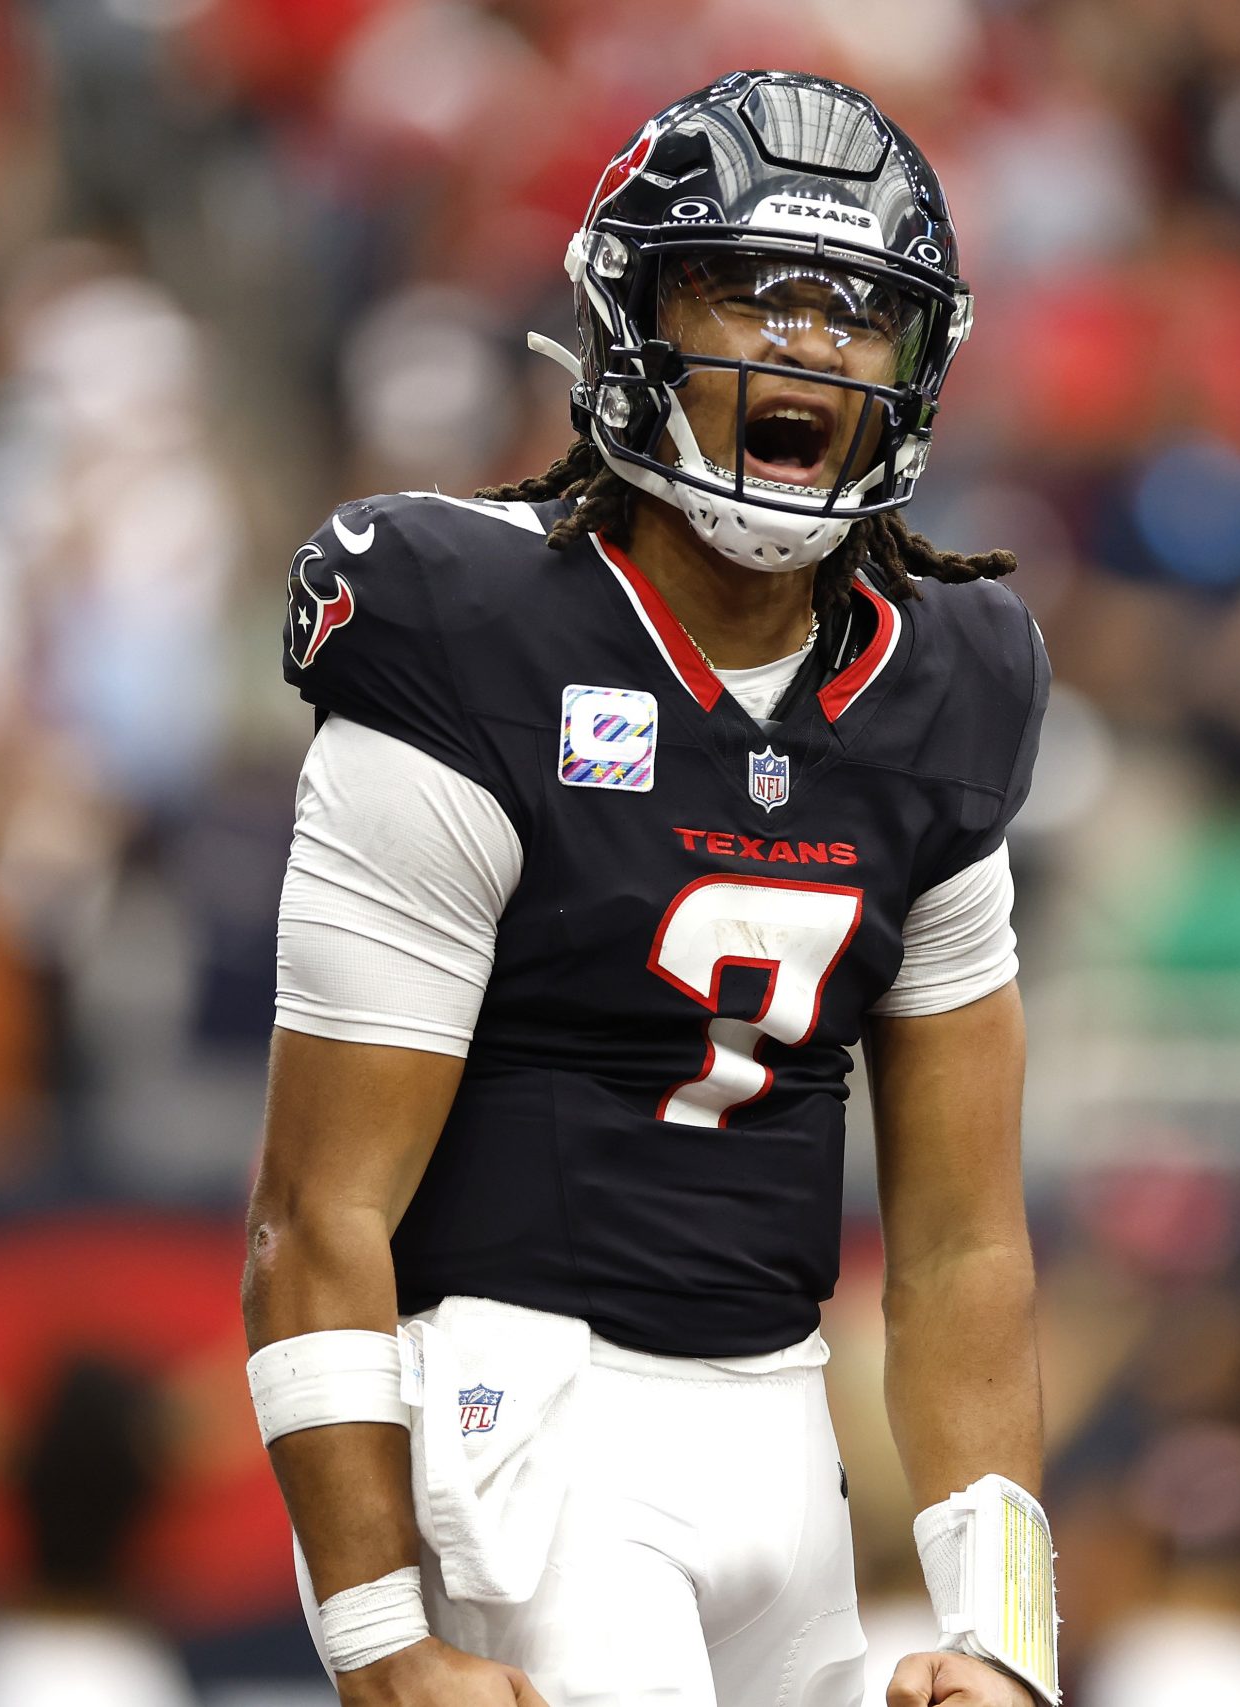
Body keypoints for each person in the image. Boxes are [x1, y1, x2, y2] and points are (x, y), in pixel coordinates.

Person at [240, 71, 1056, 1707]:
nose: (808, 342)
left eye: (857, 312)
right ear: (631, 315)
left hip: (785, 1430)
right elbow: (311, 1217)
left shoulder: (946, 685)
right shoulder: (468, 636)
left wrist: (1007, 1630)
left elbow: (964, 1238)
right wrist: (381, 1636)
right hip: (529, 1414)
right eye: (748, 289)